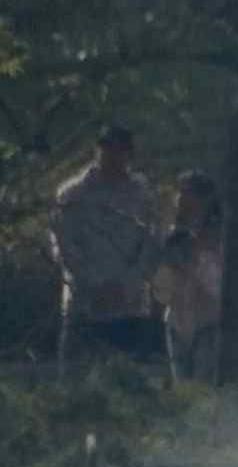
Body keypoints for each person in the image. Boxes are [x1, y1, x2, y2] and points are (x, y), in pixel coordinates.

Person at [45, 125, 166, 364]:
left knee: (128, 380)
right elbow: (63, 246)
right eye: (108, 149)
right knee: (78, 377)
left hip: (130, 303)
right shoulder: (72, 194)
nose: (114, 156)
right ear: (97, 151)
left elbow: (152, 243)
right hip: (85, 304)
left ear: (129, 154)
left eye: (120, 151)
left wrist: (128, 284)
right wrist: (96, 285)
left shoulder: (142, 194)